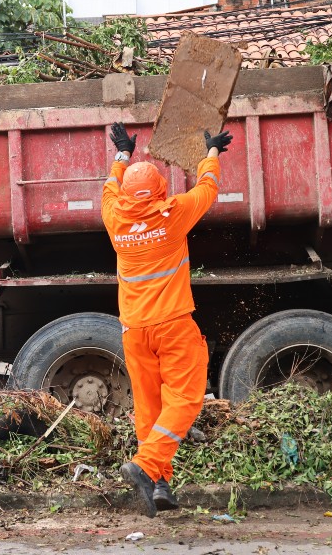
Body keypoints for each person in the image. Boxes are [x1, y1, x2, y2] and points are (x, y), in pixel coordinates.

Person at [101, 122, 230, 517]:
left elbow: (110, 186)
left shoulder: (114, 219)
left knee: (148, 406)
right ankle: (144, 466)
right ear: (160, 192)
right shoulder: (173, 214)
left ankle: (160, 484)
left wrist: (123, 153)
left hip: (134, 329)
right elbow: (206, 189)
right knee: (187, 398)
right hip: (173, 324)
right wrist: (211, 153)